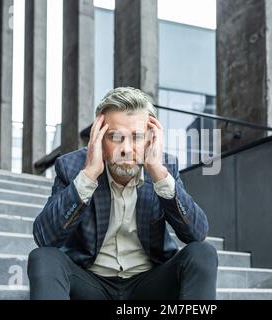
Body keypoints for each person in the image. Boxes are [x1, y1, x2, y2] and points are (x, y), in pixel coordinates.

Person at [27, 87, 218, 300]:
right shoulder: (72, 167)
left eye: (136, 136)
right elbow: (44, 238)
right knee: (43, 257)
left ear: (150, 139)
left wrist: (160, 176)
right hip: (91, 284)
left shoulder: (165, 166)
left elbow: (197, 234)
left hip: (149, 285)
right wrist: (88, 176)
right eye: (115, 137)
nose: (126, 149)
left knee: (203, 253)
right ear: (99, 138)